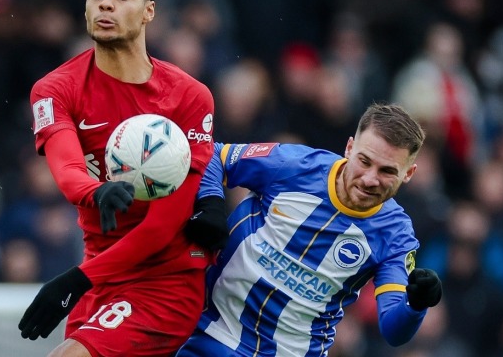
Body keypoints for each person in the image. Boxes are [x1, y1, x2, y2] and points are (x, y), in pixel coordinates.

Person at [18, 0, 223, 357]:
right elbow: (67, 167)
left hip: (164, 281)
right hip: (100, 274)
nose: (105, 4)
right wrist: (96, 193)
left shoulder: (188, 97)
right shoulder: (54, 89)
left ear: (149, 11)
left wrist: (74, 280)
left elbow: (163, 226)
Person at [176, 103, 443, 356]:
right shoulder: (293, 165)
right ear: (349, 148)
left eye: (387, 171)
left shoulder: (396, 236)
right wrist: (211, 203)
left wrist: (416, 305)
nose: (370, 179)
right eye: (364, 161)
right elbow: (215, 155)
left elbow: (393, 331)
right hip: (209, 333)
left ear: (408, 174)